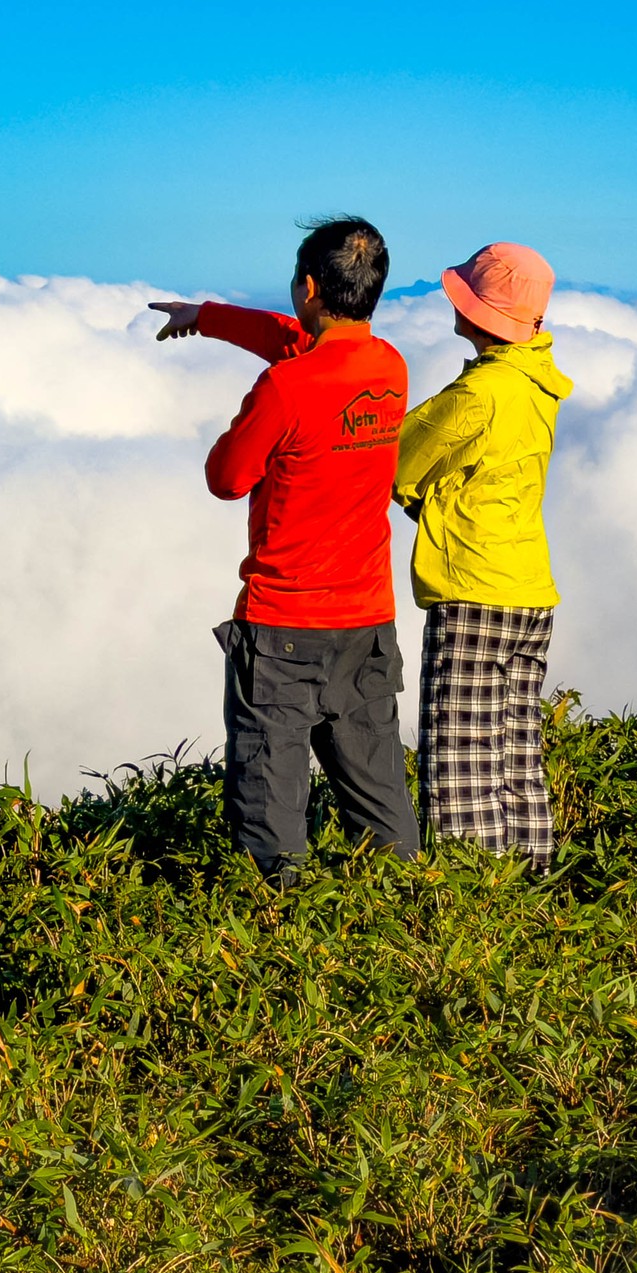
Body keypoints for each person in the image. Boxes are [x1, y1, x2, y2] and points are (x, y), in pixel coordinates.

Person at [149, 217, 419, 881]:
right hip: (367, 626)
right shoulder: (389, 369)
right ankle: (415, 924)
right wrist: (205, 316)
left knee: (271, 816)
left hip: (283, 633)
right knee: (380, 802)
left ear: (306, 285)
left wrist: (239, 425)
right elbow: (293, 339)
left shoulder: (286, 388)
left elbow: (226, 478)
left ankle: (280, 947)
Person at [391, 242, 572, 871]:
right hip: (529, 590)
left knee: (460, 765)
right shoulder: (536, 385)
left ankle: (480, 907)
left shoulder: (479, 392)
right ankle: (536, 884)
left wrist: (420, 498)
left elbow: (397, 459)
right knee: (515, 754)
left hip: (472, 589)